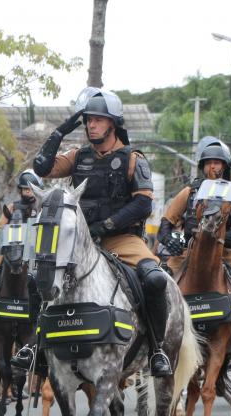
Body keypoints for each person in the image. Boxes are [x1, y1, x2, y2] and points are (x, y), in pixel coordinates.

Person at [33, 87, 172, 376]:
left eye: (97, 119)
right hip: (80, 242)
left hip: (122, 239)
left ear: (113, 123)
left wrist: (106, 226)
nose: (90, 125)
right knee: (41, 272)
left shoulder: (134, 158)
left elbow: (143, 204)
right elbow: (41, 168)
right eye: (87, 120)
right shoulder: (77, 156)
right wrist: (60, 131)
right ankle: (35, 347)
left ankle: (157, 350)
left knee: (156, 279)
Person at [156, 136, 231, 347]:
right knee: (159, 279)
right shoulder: (189, 192)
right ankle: (159, 334)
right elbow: (165, 224)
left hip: (222, 250)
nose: (212, 167)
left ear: (225, 166)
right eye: (208, 163)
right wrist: (170, 239)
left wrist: (217, 238)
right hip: (189, 250)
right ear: (202, 166)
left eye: (217, 163)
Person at [0, 169, 41, 314]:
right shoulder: (12, 207)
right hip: (10, 252)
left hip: (34, 255)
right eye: (25, 189)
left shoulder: (41, 207)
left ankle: (42, 314)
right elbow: (0, 225)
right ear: (20, 190)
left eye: (30, 189)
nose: (28, 192)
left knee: (46, 281)